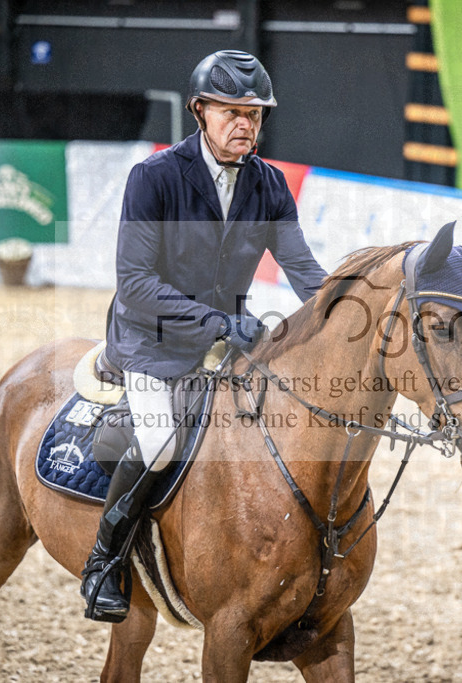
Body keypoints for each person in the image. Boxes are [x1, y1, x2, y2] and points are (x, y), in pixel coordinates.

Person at [80, 49, 329, 622]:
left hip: (227, 340)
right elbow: (135, 283)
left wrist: (347, 307)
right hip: (151, 340)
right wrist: (220, 323)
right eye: (231, 113)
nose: (245, 124)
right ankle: (104, 561)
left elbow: (304, 271)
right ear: (200, 111)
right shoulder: (154, 177)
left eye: (254, 114)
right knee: (159, 440)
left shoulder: (268, 184)